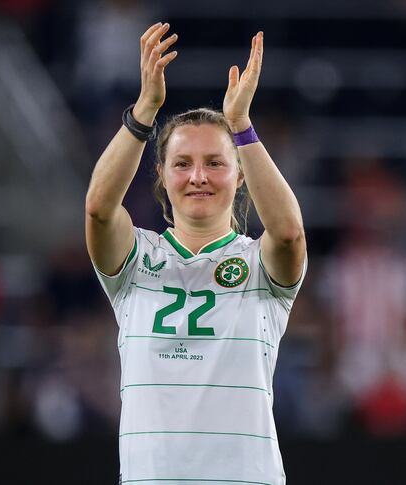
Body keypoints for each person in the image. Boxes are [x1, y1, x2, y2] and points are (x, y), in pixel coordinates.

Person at [85, 22, 307, 484]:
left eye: (215, 163)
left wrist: (241, 126)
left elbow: (288, 234)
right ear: (162, 175)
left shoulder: (259, 265)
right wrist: (144, 111)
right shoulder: (133, 261)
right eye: (182, 163)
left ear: (240, 176)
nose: (198, 176)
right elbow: (99, 209)